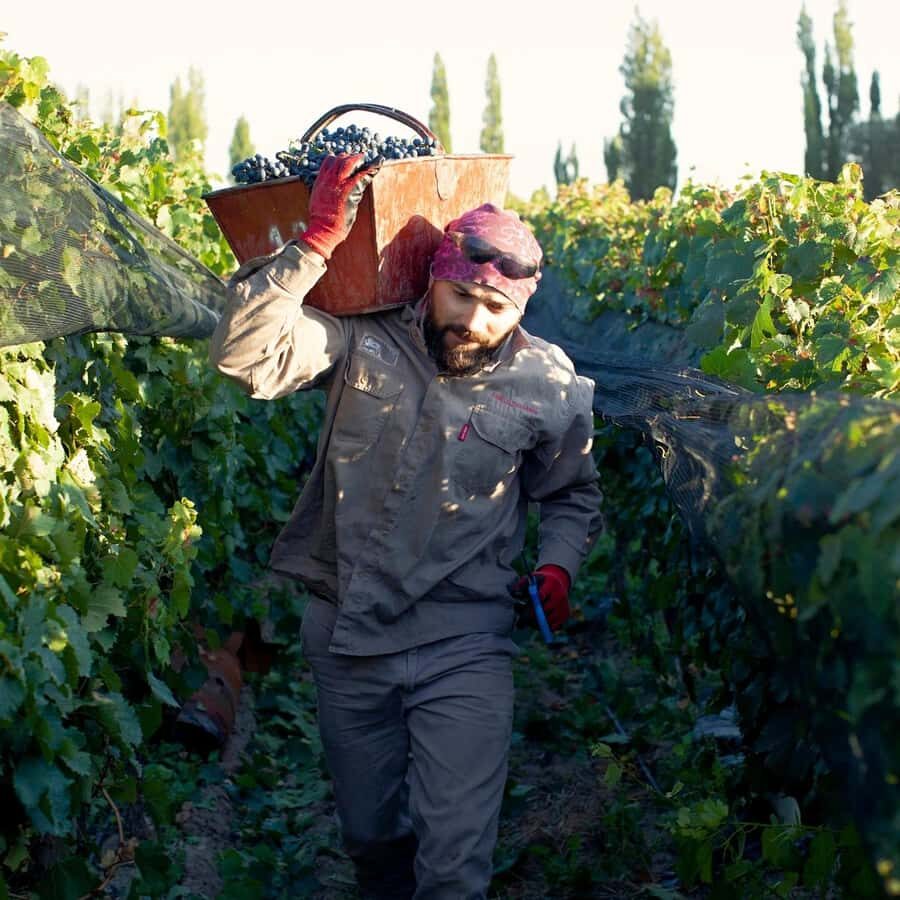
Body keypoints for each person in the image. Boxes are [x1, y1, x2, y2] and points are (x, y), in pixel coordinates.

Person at [209, 153, 604, 900]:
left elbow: (572, 497)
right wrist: (317, 241)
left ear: (522, 312)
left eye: (498, 310)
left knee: (455, 866)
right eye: (461, 296)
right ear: (433, 279)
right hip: (348, 636)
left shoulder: (549, 385)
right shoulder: (360, 340)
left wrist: (558, 566)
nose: (475, 320)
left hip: (465, 641)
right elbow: (242, 355)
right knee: (373, 840)